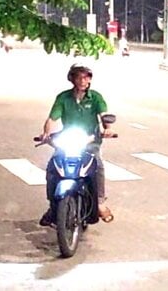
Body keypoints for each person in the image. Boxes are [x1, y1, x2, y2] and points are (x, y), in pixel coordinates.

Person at [39, 64, 115, 226]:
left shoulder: (95, 97)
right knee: (53, 168)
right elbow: (52, 119)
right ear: (72, 79)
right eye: (79, 77)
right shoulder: (63, 98)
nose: (83, 80)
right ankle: (53, 206)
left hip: (90, 141)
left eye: (86, 77)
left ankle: (100, 203)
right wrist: (46, 134)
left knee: (98, 166)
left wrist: (107, 129)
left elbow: (104, 115)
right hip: (68, 139)